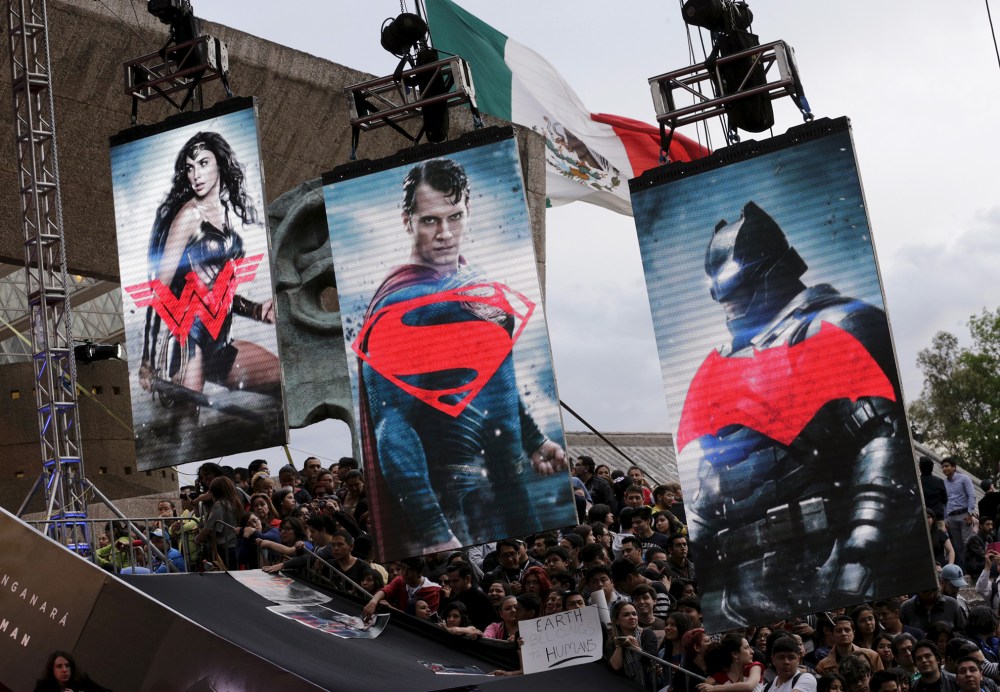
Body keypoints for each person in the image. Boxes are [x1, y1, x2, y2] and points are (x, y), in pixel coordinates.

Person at [680, 201, 923, 628]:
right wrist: (693, 558)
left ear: (771, 271)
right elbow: (713, 477)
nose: (727, 301)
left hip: (825, 564)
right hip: (740, 588)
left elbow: (884, 443)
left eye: (735, 287)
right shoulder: (724, 361)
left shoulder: (837, 325)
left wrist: (860, 554)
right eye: (720, 292)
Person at [355, 157, 567, 556]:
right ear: (407, 221)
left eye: (455, 217)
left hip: (508, 491)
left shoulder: (475, 282)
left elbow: (486, 376)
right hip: (453, 506)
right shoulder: (399, 306)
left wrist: (535, 440)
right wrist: (435, 531)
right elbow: (391, 423)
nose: (446, 234)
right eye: (431, 220)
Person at [135, 131, 280, 453]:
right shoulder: (188, 216)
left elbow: (218, 293)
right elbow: (158, 290)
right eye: (190, 167)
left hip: (219, 341)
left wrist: (256, 310)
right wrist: (147, 361)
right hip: (188, 342)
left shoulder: (227, 217)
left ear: (220, 166)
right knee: (187, 435)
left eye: (203, 163)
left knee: (280, 380)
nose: (196, 174)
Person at [604, 600, 660, 689]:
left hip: (647, 686)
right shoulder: (611, 642)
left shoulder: (647, 634)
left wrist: (633, 646)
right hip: (623, 687)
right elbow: (615, 667)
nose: (632, 617)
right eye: (626, 615)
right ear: (617, 621)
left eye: (634, 614)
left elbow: (652, 659)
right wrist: (620, 645)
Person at [942, 457, 978, 570]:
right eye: (942, 467)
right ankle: (965, 570)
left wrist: (970, 513)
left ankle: (973, 568)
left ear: (954, 467)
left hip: (964, 515)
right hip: (951, 518)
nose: (944, 469)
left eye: (947, 466)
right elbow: (944, 502)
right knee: (957, 546)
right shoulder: (943, 483)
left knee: (968, 543)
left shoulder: (964, 478)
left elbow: (971, 495)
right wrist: (945, 518)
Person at [33, 650, 108, 692]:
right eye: (59, 666)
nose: (65, 670)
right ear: (52, 669)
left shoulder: (82, 681)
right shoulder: (43, 687)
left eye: (67, 665)